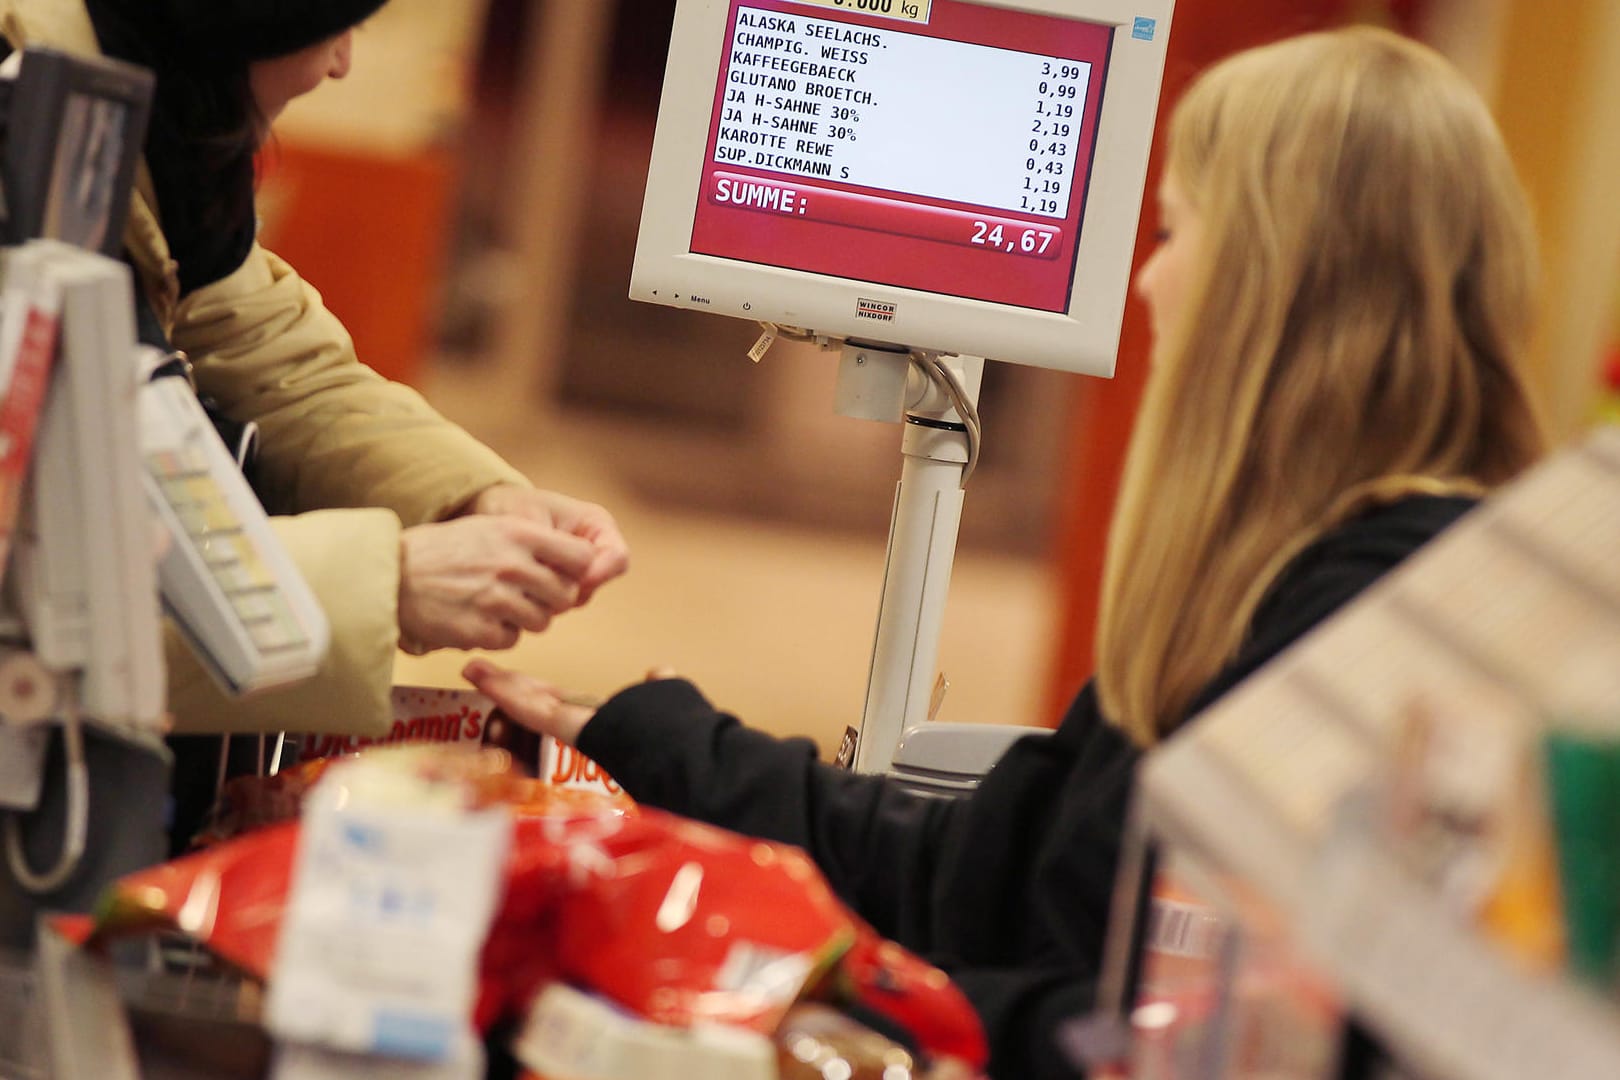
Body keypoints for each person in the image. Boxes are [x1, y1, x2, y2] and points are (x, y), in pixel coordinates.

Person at [464, 26, 1548, 1079]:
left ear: (1278, 285)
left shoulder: (1364, 633)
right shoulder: (1287, 581)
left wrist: (840, 990)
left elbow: (1162, 1032)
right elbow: (978, 877)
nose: (1149, 282)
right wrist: (665, 744)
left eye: (1175, 232)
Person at [0, 0, 631, 737]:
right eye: (332, 27)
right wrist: (385, 584)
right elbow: (31, 588)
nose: (339, 64)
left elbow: (260, 350)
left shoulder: (129, 129)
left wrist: (470, 494)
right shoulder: (39, 141)